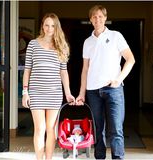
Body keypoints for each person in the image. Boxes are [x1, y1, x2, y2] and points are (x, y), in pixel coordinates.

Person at [76, 5, 135, 160]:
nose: (98, 19)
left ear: (105, 18)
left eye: (101, 16)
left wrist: (119, 79)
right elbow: (85, 69)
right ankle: (100, 157)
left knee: (116, 129)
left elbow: (130, 59)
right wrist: (82, 93)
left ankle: (118, 157)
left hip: (113, 90)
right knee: (98, 128)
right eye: (94, 17)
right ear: (90, 20)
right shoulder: (87, 42)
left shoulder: (116, 36)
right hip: (93, 91)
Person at [22, 13, 75, 160]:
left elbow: (63, 72)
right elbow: (27, 70)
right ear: (42, 26)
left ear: (56, 27)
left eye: (52, 25)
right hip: (36, 92)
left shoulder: (62, 46)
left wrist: (68, 93)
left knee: (51, 129)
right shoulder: (33, 44)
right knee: (40, 128)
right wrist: (25, 92)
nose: (49, 28)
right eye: (46, 25)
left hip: (54, 93)